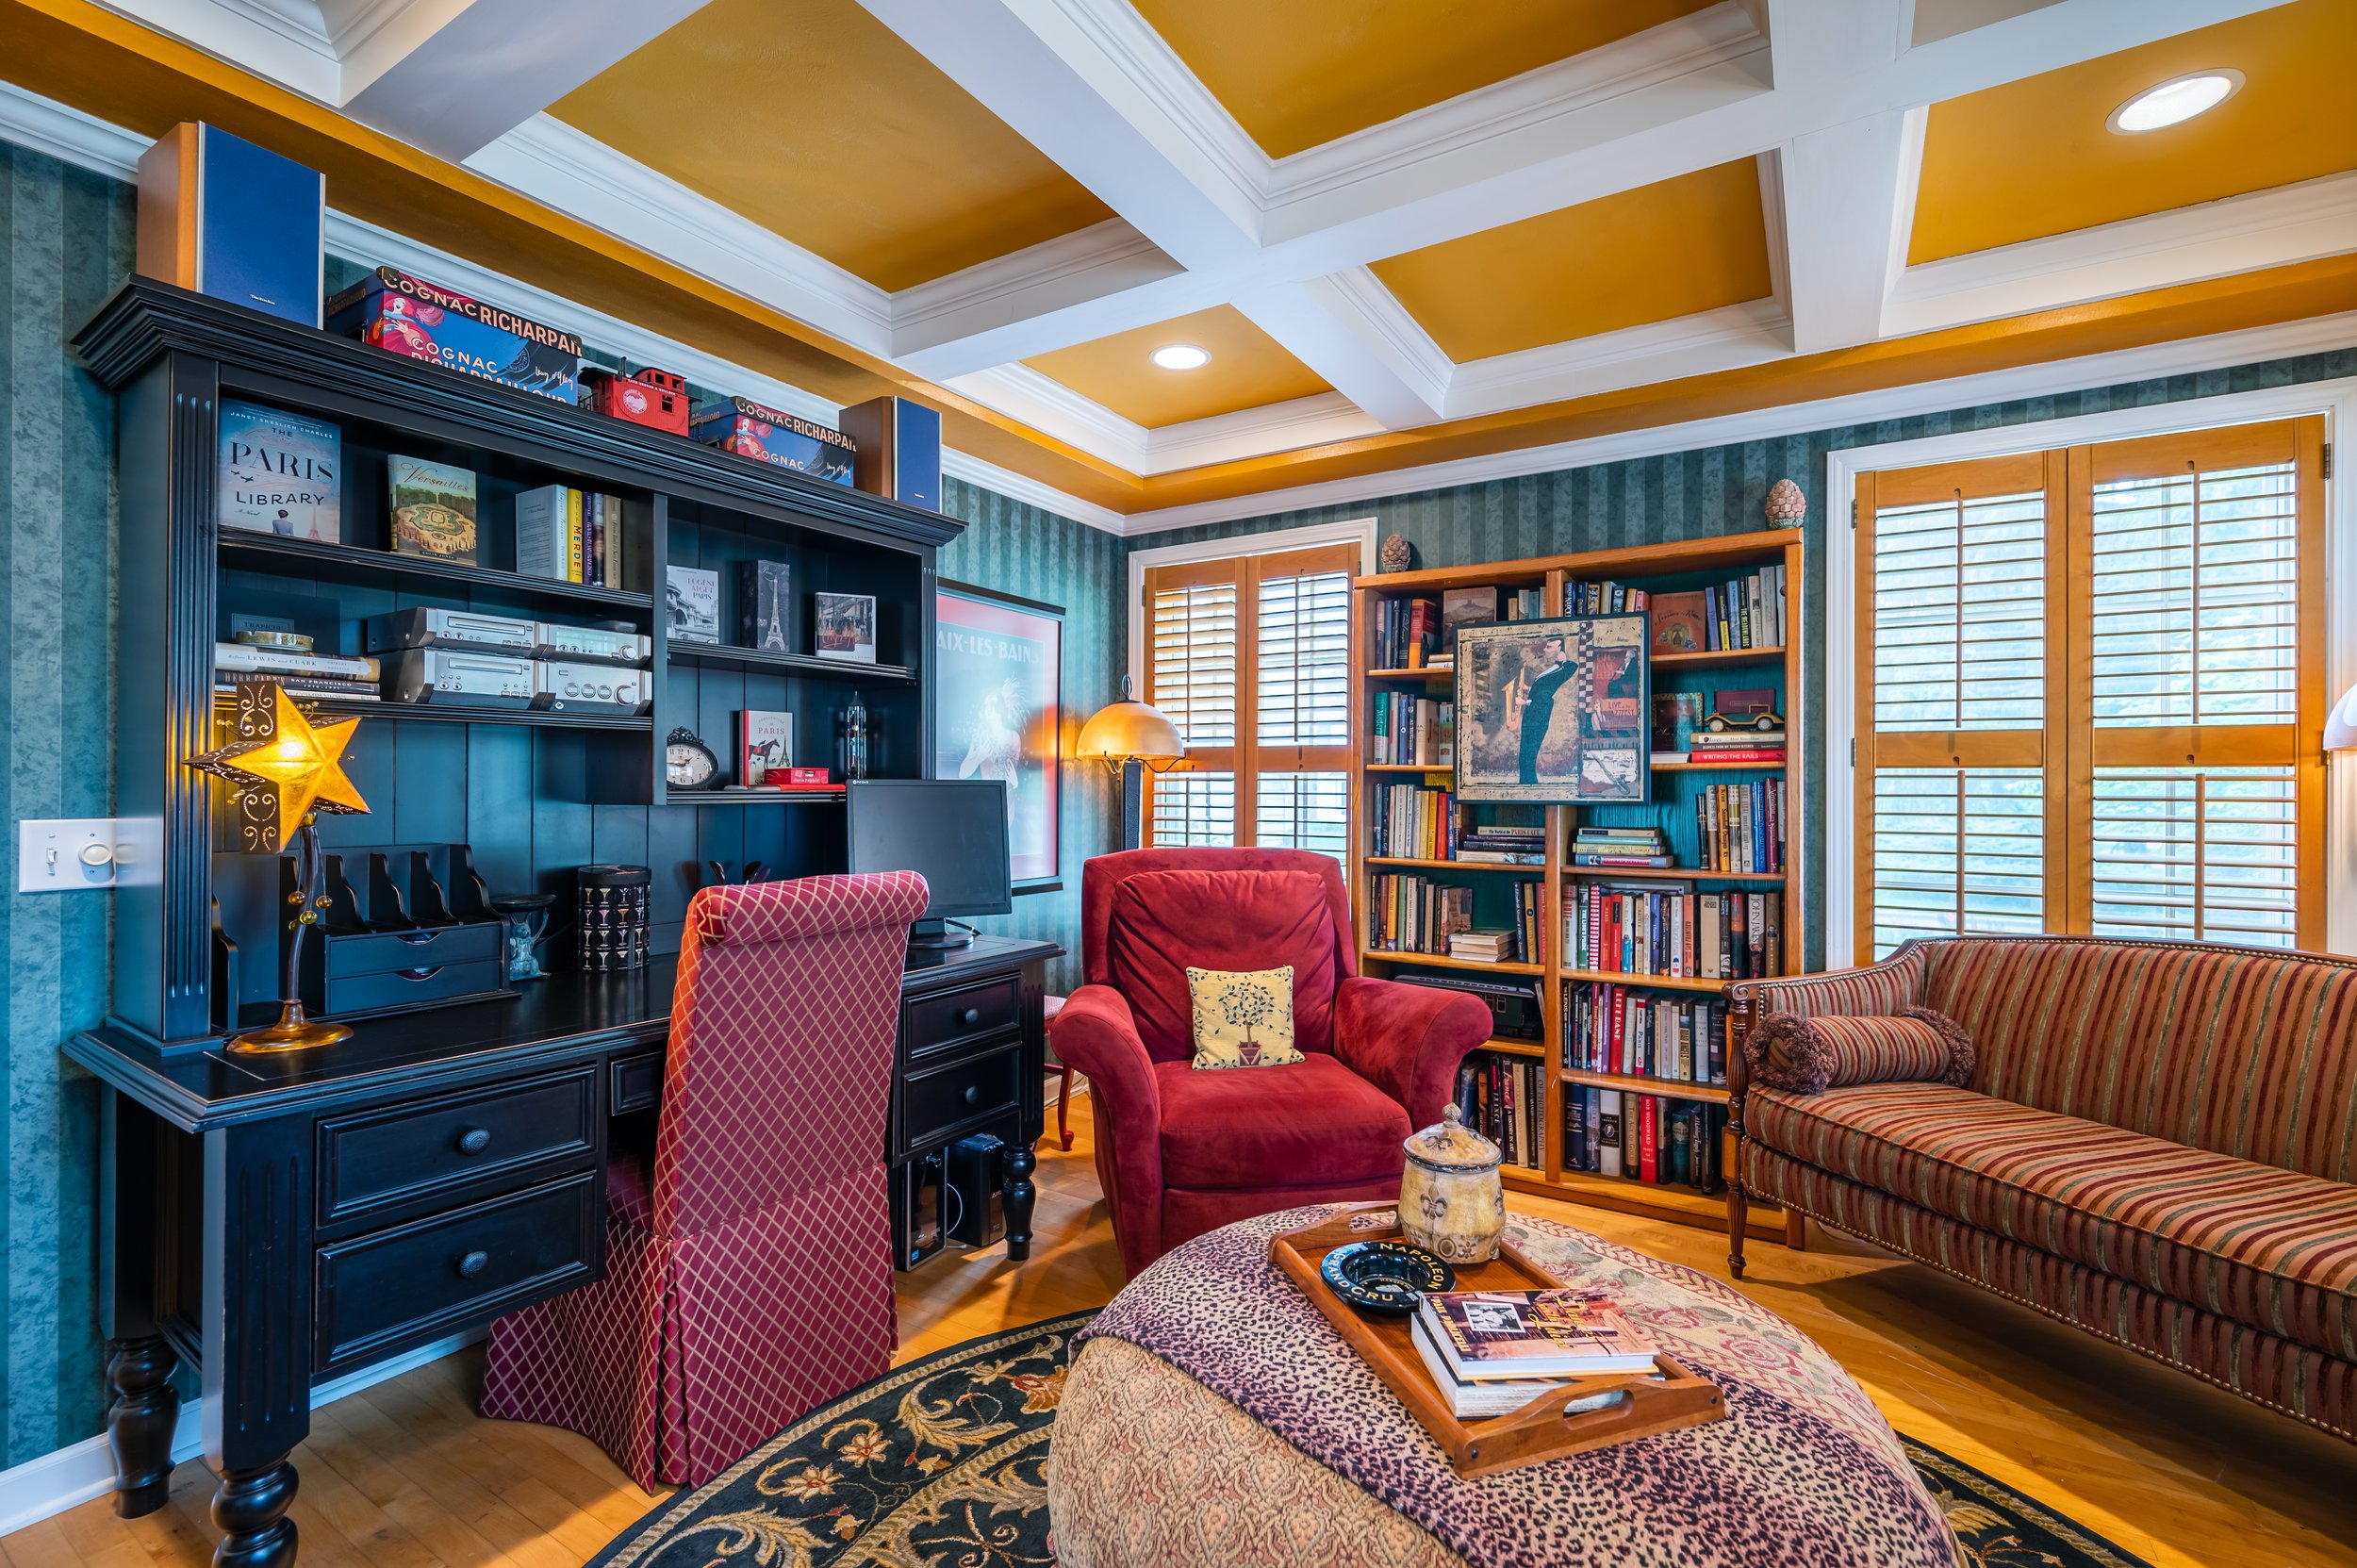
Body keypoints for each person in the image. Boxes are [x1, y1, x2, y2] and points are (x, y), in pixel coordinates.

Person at [1518, 637, 1574, 785]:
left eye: (1549, 647)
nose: (1545, 649)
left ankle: (1528, 782)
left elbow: (1545, 696)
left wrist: (1525, 701)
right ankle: (1527, 781)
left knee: (1529, 749)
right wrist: (1528, 688)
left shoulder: (1566, 667)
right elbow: (1543, 688)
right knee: (1526, 748)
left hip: (1539, 713)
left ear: (1559, 648)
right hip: (1534, 712)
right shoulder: (1556, 667)